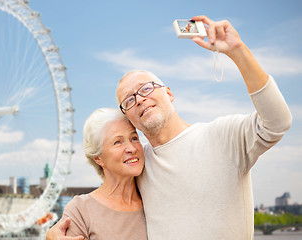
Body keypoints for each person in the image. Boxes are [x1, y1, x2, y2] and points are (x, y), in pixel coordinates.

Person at [47, 15, 292, 239]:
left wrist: (238, 51)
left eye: (146, 88)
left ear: (169, 93)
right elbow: (106, 205)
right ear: (129, 119)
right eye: (129, 100)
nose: (140, 98)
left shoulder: (223, 135)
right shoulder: (140, 168)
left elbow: (278, 122)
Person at [58, 108, 147, 239]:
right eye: (118, 142)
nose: (132, 148)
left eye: (134, 138)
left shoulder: (153, 199)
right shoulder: (81, 211)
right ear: (98, 158)